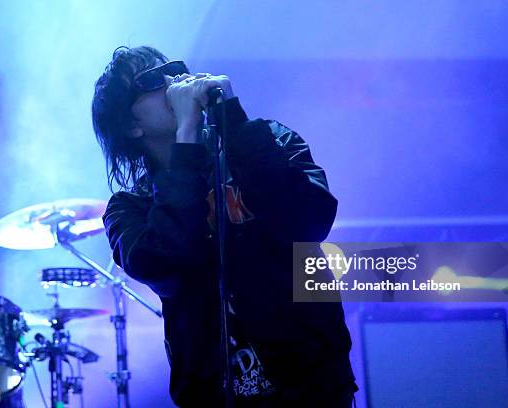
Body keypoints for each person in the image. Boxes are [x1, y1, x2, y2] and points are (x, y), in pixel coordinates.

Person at [92, 46, 357, 407]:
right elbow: (169, 265)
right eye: (153, 80)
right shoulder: (130, 208)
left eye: (175, 68)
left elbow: (309, 221)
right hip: (212, 392)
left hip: (312, 383)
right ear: (131, 125)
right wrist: (186, 136)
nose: (174, 80)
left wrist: (234, 119)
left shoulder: (269, 141)